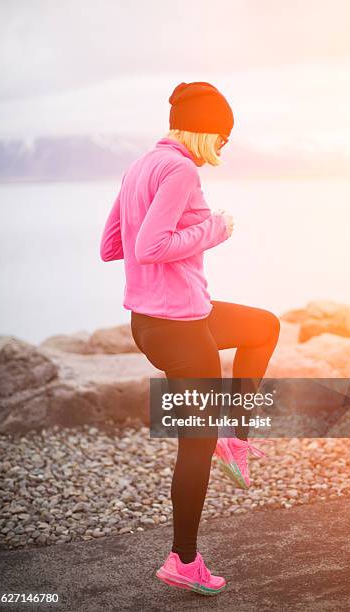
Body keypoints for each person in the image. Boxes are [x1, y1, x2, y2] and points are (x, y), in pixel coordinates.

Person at [99, 81, 280, 596]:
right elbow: (151, 245)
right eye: (222, 137)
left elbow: (113, 246)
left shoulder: (141, 165)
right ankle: (183, 560)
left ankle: (236, 436)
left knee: (262, 325)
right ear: (205, 131)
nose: (223, 147)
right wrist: (214, 229)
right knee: (194, 447)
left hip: (163, 317)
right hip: (177, 327)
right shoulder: (179, 168)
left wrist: (166, 242)